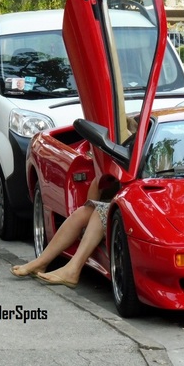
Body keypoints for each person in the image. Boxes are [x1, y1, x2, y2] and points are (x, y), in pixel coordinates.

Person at [10, 117, 138, 288]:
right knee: (86, 211)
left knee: (101, 211)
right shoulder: (125, 160)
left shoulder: (145, 156)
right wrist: (103, 173)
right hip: (120, 206)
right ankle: (41, 262)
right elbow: (91, 199)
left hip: (136, 209)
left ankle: (73, 269)